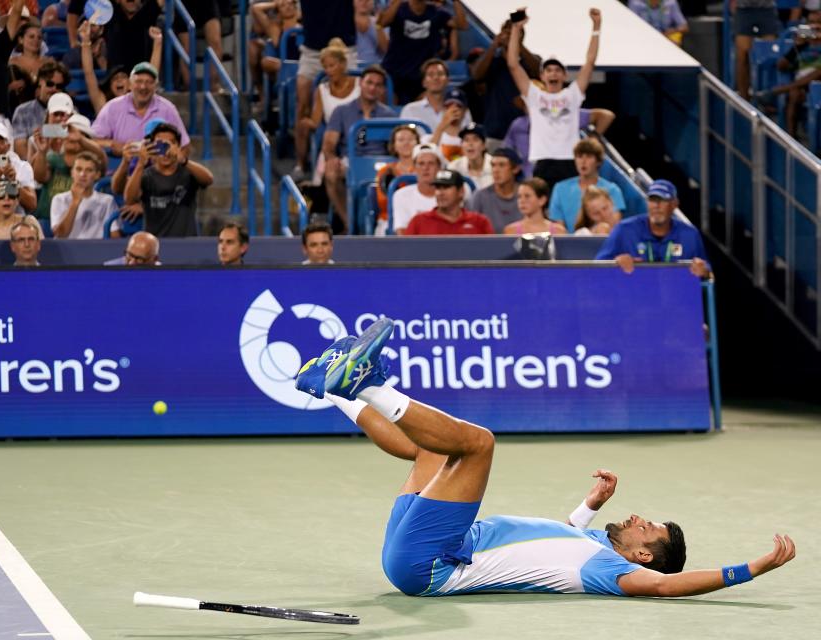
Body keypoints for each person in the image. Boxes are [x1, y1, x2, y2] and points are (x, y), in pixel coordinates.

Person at [295, 320, 797, 598]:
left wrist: (751, 568)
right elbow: (555, 541)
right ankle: (336, 391)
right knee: (430, 448)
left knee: (478, 444)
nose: (643, 519)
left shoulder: (611, 573)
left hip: (431, 563)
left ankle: (369, 383)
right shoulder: (591, 543)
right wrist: (590, 504)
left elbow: (669, 588)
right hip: (426, 546)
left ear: (644, 557)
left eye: (652, 530)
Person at [507, 7, 601, 188]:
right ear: (542, 76)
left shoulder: (573, 95)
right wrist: (516, 29)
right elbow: (513, 64)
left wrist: (596, 27)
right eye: (548, 70)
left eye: (558, 70)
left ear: (565, 76)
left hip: (569, 160)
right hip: (543, 161)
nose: (553, 74)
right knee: (543, 211)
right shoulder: (534, 95)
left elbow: (590, 62)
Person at [321, 65, 396, 231]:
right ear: (360, 84)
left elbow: (394, 146)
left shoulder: (389, 115)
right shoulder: (341, 111)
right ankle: (349, 223)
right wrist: (332, 158)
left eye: (378, 85)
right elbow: (328, 143)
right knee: (331, 173)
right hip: (350, 161)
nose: (372, 88)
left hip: (382, 163)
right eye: (369, 83)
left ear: (382, 89)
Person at [595, 179, 710, 278]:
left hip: (674, 299)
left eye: (662, 200)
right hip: (633, 298)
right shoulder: (624, 230)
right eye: (652, 200)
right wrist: (615, 263)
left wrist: (704, 271)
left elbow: (706, 271)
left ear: (674, 204)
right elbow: (596, 267)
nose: (656, 205)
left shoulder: (689, 234)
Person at [295, 0, 358, 180]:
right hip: (312, 51)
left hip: (345, 48)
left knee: (362, 90)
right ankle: (300, 163)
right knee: (302, 93)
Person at [123, 119, 215, 238]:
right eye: (160, 145)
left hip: (186, 243)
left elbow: (208, 179)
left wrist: (184, 161)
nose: (166, 151)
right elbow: (129, 199)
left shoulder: (188, 172)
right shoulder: (146, 175)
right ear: (151, 147)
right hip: (155, 245)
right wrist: (140, 164)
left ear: (178, 147)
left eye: (170, 144)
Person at [379, 0, 467, 105]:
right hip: (394, 72)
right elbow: (382, 23)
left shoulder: (436, 13)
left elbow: (462, 25)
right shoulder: (398, 9)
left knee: (426, 106)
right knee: (386, 103)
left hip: (421, 77)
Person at [91, 62, 189, 156]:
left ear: (156, 86)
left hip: (157, 168)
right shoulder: (112, 107)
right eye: (139, 81)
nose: (143, 87)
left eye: (149, 82)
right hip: (122, 167)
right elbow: (93, 141)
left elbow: (184, 146)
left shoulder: (167, 109)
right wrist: (114, 145)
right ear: (130, 84)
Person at [753, 9, 821, 135]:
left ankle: (775, 92)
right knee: (794, 94)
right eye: (811, 22)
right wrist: (798, 46)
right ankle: (791, 137)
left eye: (819, 22)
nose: (815, 26)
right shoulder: (803, 44)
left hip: (819, 83)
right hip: (803, 85)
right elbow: (781, 66)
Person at [501, 107, 616, 180]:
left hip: (562, 175)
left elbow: (606, 116)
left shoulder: (563, 115)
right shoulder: (517, 125)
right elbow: (505, 153)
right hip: (527, 181)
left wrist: (592, 140)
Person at [31, 113, 106, 221]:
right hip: (48, 219)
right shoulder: (52, 158)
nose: (71, 137)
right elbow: (39, 177)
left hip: (82, 221)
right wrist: (42, 152)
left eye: (78, 134)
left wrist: (80, 139)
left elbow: (102, 159)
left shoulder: (93, 163)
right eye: (67, 133)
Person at [548, 138, 625, 231]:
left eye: (589, 156)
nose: (583, 161)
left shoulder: (612, 189)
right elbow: (558, 228)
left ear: (598, 161)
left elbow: (614, 226)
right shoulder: (560, 188)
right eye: (579, 156)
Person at [50, 151, 118, 239]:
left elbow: (115, 235)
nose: (83, 174)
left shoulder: (107, 201)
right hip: (67, 250)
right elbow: (60, 234)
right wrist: (75, 202)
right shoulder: (59, 199)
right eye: (78, 169)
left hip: (96, 249)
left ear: (97, 175)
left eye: (89, 170)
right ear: (72, 173)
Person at [404, 169, 494, 235]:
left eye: (446, 187)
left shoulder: (479, 222)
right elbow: (405, 255)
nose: (440, 193)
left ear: (461, 191)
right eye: (438, 188)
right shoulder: (418, 222)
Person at [11, 60, 69, 159]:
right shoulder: (22, 111)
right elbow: (20, 148)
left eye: (59, 86)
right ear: (40, 82)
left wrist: (43, 132)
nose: (54, 89)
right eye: (50, 84)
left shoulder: (70, 110)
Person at [399, 59, 472, 135]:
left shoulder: (461, 110)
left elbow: (467, 139)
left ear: (447, 80)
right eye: (430, 75)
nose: (436, 78)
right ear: (423, 82)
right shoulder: (410, 110)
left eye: (440, 74)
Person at [374, 123, 421, 232]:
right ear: (394, 145)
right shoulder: (385, 171)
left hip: (420, 216)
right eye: (401, 140)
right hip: (390, 219)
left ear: (417, 143)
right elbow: (383, 202)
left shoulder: (425, 169)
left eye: (410, 139)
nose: (406, 143)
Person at [465, 146, 523, 232]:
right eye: (493, 165)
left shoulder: (525, 195)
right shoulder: (480, 197)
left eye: (502, 165)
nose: (496, 170)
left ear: (515, 169)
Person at [732, 0, 780, 100]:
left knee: (771, 55)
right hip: (743, 9)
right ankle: (743, 98)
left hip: (767, 9)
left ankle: (770, 98)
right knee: (742, 55)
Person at [391, 142, 442, 235]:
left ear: (439, 168)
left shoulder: (449, 195)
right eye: (421, 163)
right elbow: (402, 233)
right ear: (414, 168)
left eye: (431, 163)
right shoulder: (401, 195)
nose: (426, 168)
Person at [502, 177, 567, 236]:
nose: (522, 201)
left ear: (542, 200)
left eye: (527, 196)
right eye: (519, 197)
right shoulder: (510, 231)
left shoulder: (558, 232)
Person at [447, 123, 491, 189]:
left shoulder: (494, 166)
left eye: (475, 140)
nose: (470, 144)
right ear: (461, 145)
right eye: (466, 140)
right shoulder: (454, 167)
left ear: (483, 145)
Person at [354, 0, 387, 67]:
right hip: (350, 70)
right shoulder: (343, 23)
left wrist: (378, 27)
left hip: (374, 69)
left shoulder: (381, 22)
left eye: (368, 0)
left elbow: (387, 51)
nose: (364, 2)